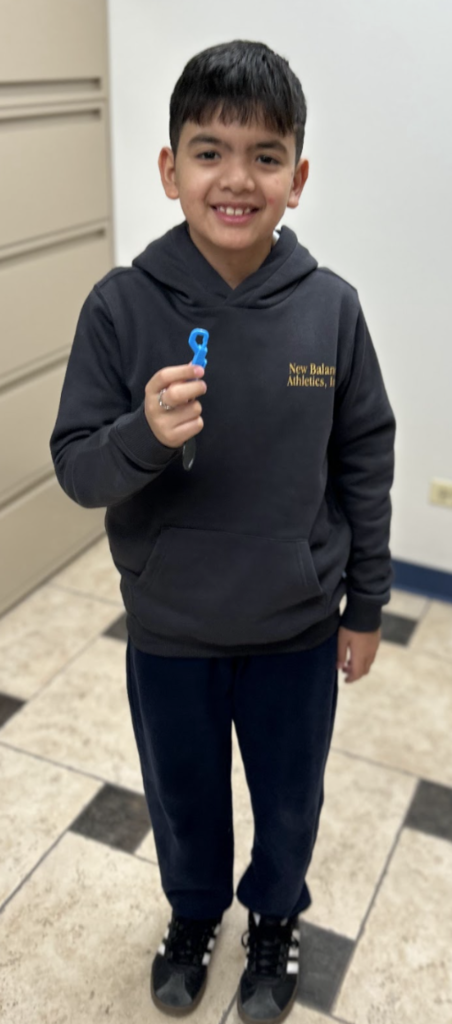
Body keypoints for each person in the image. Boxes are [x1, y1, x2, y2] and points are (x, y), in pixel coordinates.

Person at [49, 39, 396, 1024]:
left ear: (297, 176)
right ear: (168, 169)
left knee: (288, 805)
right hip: (170, 630)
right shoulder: (121, 306)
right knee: (183, 800)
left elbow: (364, 457)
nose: (235, 178)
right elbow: (78, 465)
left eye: (264, 154)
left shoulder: (328, 311)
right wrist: (139, 437)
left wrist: (361, 603)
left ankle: (275, 920)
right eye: (208, 151)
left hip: (292, 628)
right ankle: (193, 915)